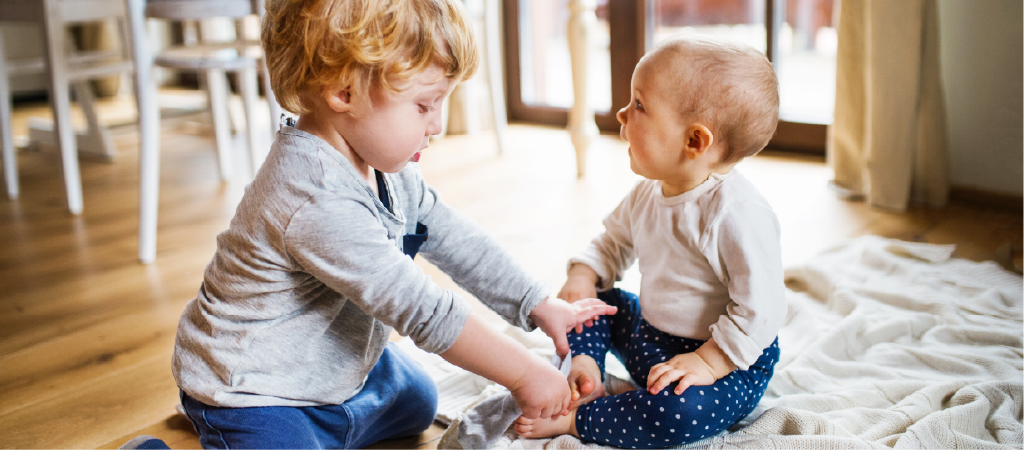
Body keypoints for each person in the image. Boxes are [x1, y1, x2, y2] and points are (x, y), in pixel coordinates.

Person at [121, 1, 617, 449]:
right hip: (255, 388)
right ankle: (216, 421)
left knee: (420, 401)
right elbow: (423, 310)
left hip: (327, 374)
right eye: (424, 105)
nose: (438, 124)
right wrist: (526, 374)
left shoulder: (385, 167)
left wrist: (534, 302)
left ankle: (323, 420)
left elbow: (453, 237)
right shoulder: (311, 195)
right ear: (343, 91)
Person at [513, 35, 786, 449]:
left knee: (679, 416)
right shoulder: (648, 193)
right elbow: (611, 245)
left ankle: (580, 420)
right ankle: (587, 370)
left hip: (726, 363)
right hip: (651, 339)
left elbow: (761, 312)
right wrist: (585, 275)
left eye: (639, 105)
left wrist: (708, 362)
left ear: (695, 141)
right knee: (596, 300)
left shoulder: (737, 214)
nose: (622, 112)